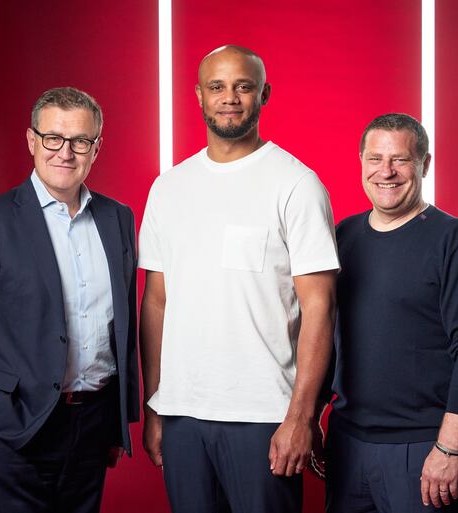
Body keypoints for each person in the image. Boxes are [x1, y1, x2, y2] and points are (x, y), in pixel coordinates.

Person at [137, 45, 339, 513]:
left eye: (243, 86)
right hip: (183, 414)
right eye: (218, 87)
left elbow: (319, 307)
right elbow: (156, 303)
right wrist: (154, 405)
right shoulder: (168, 188)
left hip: (264, 418)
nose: (230, 97)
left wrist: (302, 417)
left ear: (263, 94)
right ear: (199, 97)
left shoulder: (296, 184)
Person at [0, 87, 139, 513]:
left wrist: (117, 423)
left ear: (96, 148)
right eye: (53, 138)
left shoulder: (118, 218)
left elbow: (124, 327)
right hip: (16, 426)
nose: (65, 152)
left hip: (93, 427)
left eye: (80, 141)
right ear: (32, 141)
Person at [323, 113, 458, 512]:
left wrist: (449, 447)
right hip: (348, 442)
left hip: (422, 448)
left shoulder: (457, 241)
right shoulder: (342, 237)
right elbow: (324, 337)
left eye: (400, 159)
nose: (386, 171)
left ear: (425, 164)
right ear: (361, 161)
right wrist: (308, 419)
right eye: (375, 159)